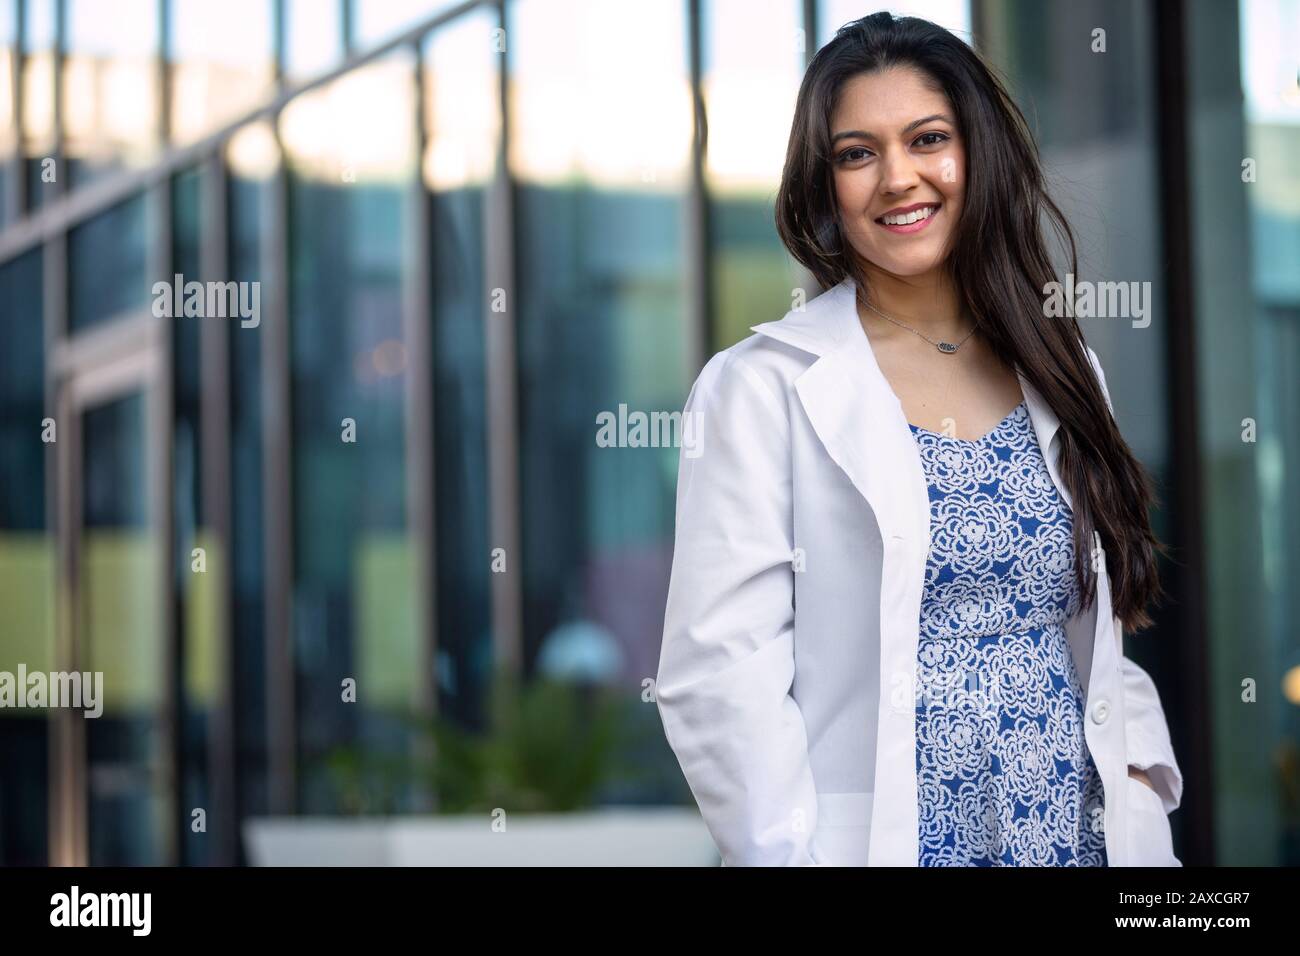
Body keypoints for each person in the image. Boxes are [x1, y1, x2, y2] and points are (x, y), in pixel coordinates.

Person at [655, 11, 1184, 867]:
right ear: (825, 185)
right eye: (856, 154)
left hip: (1075, 836)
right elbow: (719, 677)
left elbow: (1096, 635)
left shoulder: (1062, 364)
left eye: (928, 139)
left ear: (978, 152)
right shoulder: (759, 387)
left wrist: (1140, 786)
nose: (898, 178)